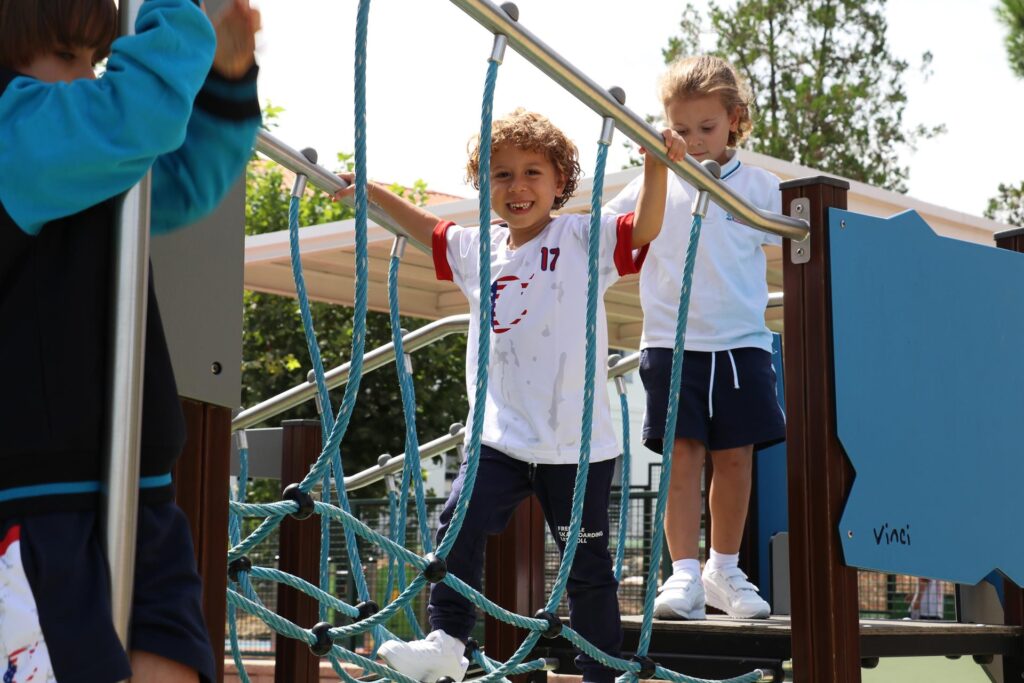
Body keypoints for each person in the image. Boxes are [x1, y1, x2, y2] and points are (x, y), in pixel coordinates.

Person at [335, 109, 685, 683]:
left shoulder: (582, 237)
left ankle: (603, 671)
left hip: (576, 443)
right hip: (499, 434)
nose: (517, 187)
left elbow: (642, 229)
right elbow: (428, 230)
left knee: (587, 568)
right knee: (458, 526)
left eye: (532, 173)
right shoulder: (480, 250)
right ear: (484, 185)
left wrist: (655, 166)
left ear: (558, 183)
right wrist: (372, 191)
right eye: (501, 175)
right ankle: (448, 639)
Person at [0, 0, 261, 681]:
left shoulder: (80, 151)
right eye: (70, 57)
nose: (89, 78)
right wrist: (176, 12)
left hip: (140, 486)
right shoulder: (12, 130)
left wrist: (229, 79)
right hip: (41, 499)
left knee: (170, 662)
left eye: (98, 61)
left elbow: (181, 181)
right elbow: (137, 113)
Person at [603, 55, 786, 621]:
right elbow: (604, 234)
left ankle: (723, 570)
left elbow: (800, 245)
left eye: (707, 127)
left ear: (734, 119)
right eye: (681, 130)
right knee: (683, 457)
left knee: (735, 461)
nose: (695, 140)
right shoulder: (653, 183)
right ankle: (682, 574)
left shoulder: (760, 187)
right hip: (672, 344)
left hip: (742, 345)